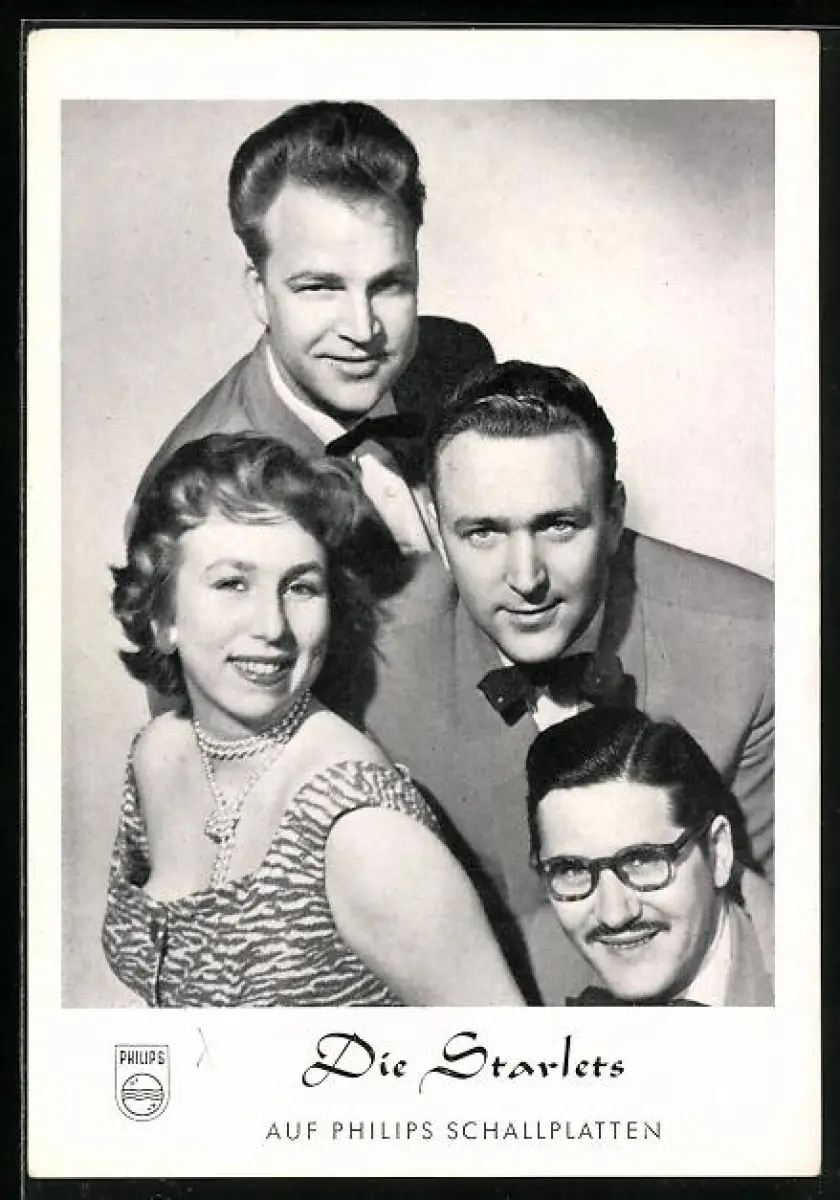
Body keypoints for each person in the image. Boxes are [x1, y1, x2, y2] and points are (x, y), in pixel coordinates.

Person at [363, 359, 774, 1004]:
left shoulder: (749, 639)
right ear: (438, 532)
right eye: (483, 532)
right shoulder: (371, 657)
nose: (526, 578)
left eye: (558, 525)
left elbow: (774, 924)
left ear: (613, 518)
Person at [102, 433, 523, 1007]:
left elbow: (509, 1054)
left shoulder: (362, 830)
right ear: (161, 616)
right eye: (232, 583)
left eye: (301, 587)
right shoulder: (156, 751)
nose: (272, 626)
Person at [130, 100, 494, 554]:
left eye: (389, 285)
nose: (362, 330)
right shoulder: (200, 498)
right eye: (321, 287)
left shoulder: (458, 360)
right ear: (259, 292)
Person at [526, 708, 773, 1006]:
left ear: (719, 851)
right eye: (572, 870)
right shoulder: (527, 985)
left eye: (640, 861)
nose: (614, 915)